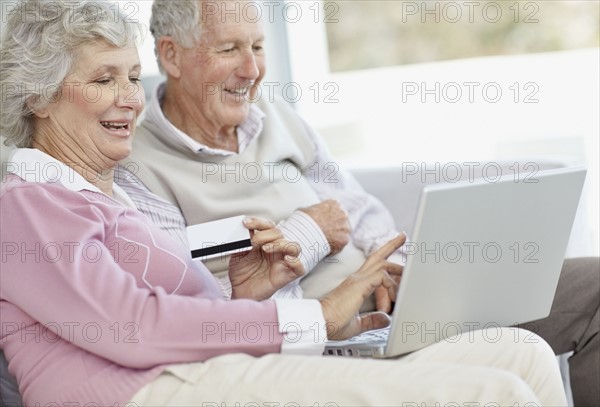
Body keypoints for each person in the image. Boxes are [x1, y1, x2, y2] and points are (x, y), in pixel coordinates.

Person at [0, 1, 570, 406]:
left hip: (205, 368)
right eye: (103, 80)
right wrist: (315, 316)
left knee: (522, 355)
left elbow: (173, 305)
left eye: (131, 77)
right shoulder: (27, 205)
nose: (129, 98)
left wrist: (249, 290)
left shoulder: (102, 192)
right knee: (493, 393)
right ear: (39, 97)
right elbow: (132, 326)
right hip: (140, 390)